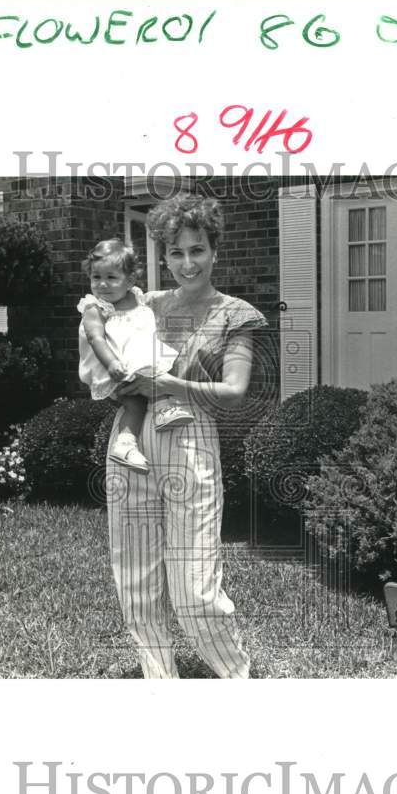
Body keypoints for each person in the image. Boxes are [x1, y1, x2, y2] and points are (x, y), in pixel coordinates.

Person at [108, 194, 267, 679]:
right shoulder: (145, 305)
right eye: (175, 253)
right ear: (162, 257)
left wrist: (172, 384)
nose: (187, 263)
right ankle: (160, 680)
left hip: (191, 441)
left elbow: (234, 392)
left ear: (214, 251)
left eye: (196, 250)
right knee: (136, 576)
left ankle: (236, 676)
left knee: (195, 586)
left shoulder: (235, 315)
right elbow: (98, 336)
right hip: (132, 440)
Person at [77, 239, 195, 474]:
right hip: (114, 363)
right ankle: (126, 443)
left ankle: (162, 409)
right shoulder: (95, 307)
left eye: (111, 278)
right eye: (96, 277)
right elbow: (95, 338)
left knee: (158, 377)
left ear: (130, 280)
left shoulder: (137, 297)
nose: (102, 285)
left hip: (140, 358)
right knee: (134, 401)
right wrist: (111, 364)